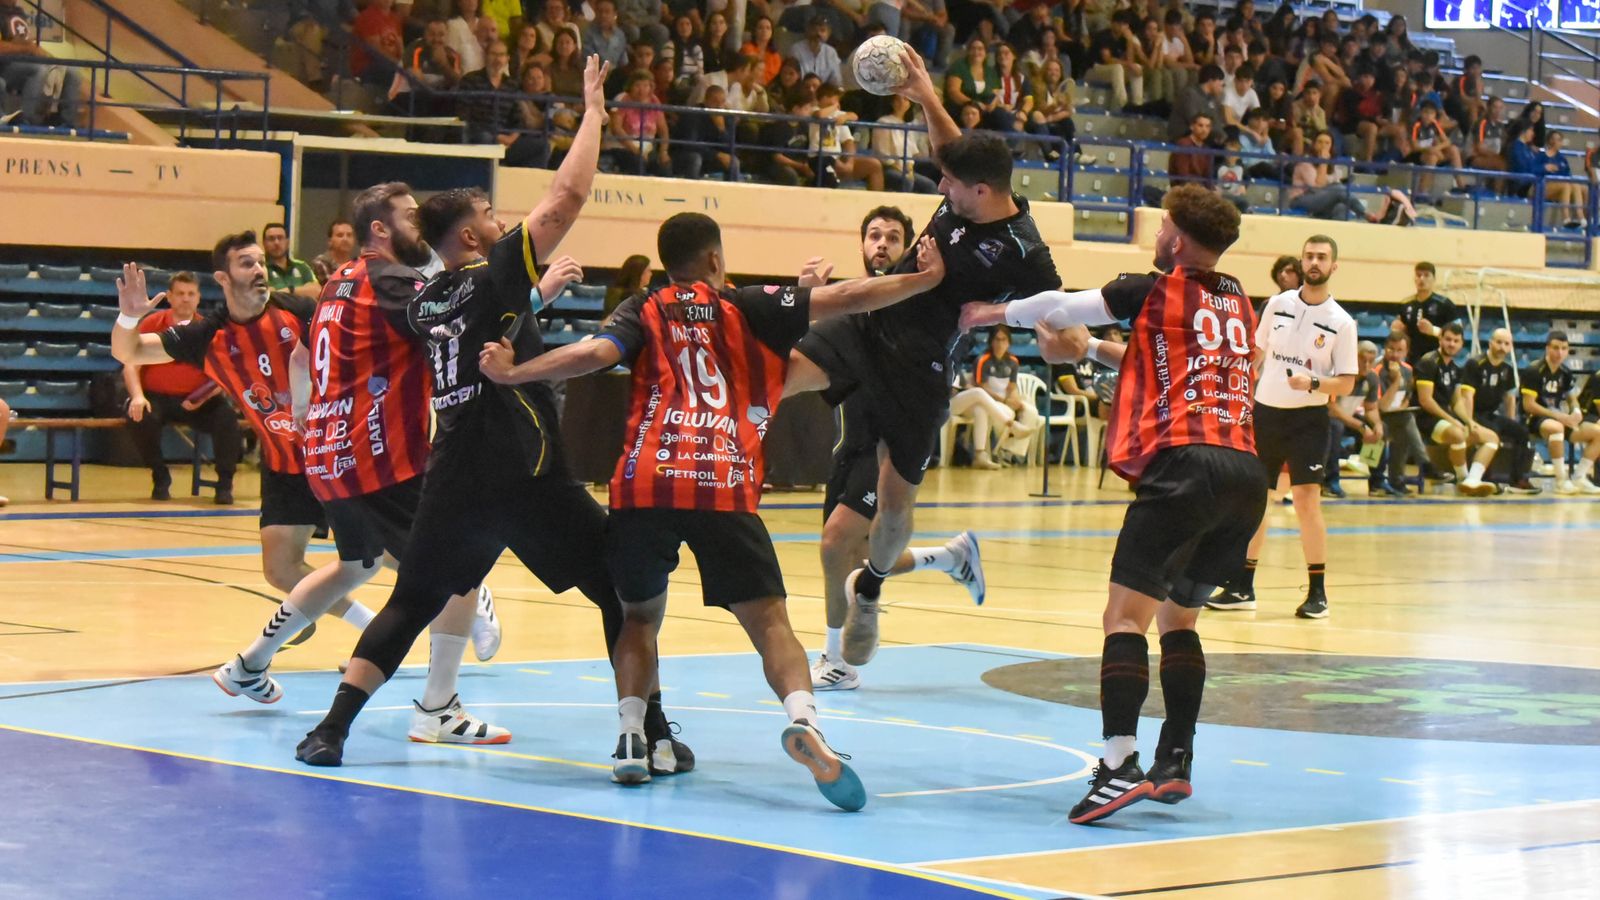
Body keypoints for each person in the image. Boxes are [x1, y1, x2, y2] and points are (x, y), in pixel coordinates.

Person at [477, 211, 949, 809]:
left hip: (645, 484)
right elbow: (850, 297)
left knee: (638, 618)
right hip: (721, 482)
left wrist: (516, 371)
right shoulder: (745, 304)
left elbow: (593, 354)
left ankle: (628, 735)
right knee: (771, 623)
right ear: (715, 260)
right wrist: (921, 282)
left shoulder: (642, 308)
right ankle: (806, 722)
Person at [293, 60, 620, 770]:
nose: (503, 227)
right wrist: (593, 112)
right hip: (524, 475)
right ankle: (644, 726)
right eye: (492, 222)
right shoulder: (491, 272)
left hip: (454, 478)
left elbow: (476, 327)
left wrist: (537, 296)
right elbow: (567, 195)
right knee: (617, 586)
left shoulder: (423, 300)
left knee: (409, 604)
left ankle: (331, 731)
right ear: (473, 240)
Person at [961, 184, 1262, 824]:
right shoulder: (1241, 303)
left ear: (1176, 239)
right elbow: (1170, 360)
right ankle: (1174, 759)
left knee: (1123, 619)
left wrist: (984, 315)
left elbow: (1055, 307)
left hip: (1184, 464)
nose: (1154, 236)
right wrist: (1093, 351)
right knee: (1180, 621)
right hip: (1245, 473)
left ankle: (1118, 764)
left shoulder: (1148, 288)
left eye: (1160, 227)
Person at [784, 47, 1060, 669]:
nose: (939, 188)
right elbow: (952, 153)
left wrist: (996, 315)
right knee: (783, 376)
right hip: (870, 329)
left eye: (950, 185)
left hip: (922, 371)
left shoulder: (1024, 251)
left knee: (896, 507)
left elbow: (1057, 311)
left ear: (982, 192)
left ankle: (873, 592)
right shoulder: (962, 189)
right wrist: (927, 94)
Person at [110, 238, 392, 698]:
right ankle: (373, 627)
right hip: (284, 461)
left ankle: (465, 599)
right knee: (282, 568)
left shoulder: (300, 310)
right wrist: (129, 316)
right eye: (247, 264)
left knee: (393, 550)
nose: (259, 270)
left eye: (261, 262)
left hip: (336, 450)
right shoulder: (208, 336)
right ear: (222, 278)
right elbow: (130, 352)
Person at [810, 207, 984, 693]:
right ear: (861, 245)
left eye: (893, 237)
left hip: (890, 440)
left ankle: (836, 660)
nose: (882, 244)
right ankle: (951, 557)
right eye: (873, 235)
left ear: (909, 247)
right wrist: (808, 296)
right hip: (849, 438)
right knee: (856, 553)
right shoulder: (852, 299)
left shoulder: (925, 303)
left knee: (834, 543)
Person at [1209, 234, 1358, 620]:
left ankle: (1318, 593)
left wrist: (1312, 383)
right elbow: (1256, 353)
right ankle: (1242, 586)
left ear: (1334, 266)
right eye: (1309, 255)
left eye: (1322, 257)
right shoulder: (1277, 305)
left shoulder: (1342, 322)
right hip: (1266, 413)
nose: (1314, 262)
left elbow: (1346, 382)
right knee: (1255, 500)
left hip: (1308, 418)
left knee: (1307, 503)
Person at [118, 271, 244, 504]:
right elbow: (131, 363)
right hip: (157, 398)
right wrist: (137, 396)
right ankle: (160, 477)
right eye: (180, 294)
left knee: (227, 419)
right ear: (170, 297)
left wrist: (202, 398)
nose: (185, 299)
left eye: (191, 294)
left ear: (198, 298)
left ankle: (225, 484)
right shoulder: (152, 323)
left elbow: (225, 375)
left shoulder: (209, 328)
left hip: (198, 400)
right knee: (138, 416)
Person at [1414, 322, 1492, 496]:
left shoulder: (1455, 369)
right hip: (1424, 417)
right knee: (1457, 435)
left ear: (1461, 344)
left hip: (1444, 416)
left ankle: (1473, 479)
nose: (1451, 344)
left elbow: (1457, 402)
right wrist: (1452, 421)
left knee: (1490, 437)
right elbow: (1425, 400)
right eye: (1448, 339)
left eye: (1456, 341)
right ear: (1440, 339)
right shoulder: (1429, 362)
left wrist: (1469, 421)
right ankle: (1463, 480)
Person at [1460, 328, 1540, 494]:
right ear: (1490, 343)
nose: (1502, 347)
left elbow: (1509, 398)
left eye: (1506, 343)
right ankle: (1486, 480)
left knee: (1521, 432)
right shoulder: (1475, 363)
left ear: (1510, 347)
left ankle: (1517, 480)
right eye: (1498, 342)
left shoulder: (1507, 369)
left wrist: (1511, 421)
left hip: (1490, 414)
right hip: (1475, 414)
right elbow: (1467, 396)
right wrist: (1469, 422)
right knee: (1492, 432)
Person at [1521, 331, 1596, 495]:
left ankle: (1579, 478)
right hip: (1534, 419)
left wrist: (1575, 411)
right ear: (1547, 348)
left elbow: (1572, 398)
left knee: (1597, 432)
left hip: (1558, 418)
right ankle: (1561, 480)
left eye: (1564, 348)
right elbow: (1528, 405)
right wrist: (1560, 416)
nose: (1559, 352)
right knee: (1556, 428)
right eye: (1555, 348)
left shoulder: (1565, 372)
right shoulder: (1534, 370)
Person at [967, 324, 1042, 466]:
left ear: (1009, 342)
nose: (1000, 343)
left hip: (1006, 399)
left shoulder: (1013, 361)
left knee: (1031, 412)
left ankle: (1009, 451)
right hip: (990, 400)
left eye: (1004, 340)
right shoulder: (983, 360)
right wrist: (1005, 400)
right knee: (1006, 412)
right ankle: (998, 450)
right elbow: (982, 387)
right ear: (991, 341)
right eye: (997, 339)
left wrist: (1015, 399)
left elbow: (1012, 387)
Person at [0, 1, 84, 127]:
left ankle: (68, 123)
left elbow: (26, 42)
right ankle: (27, 120)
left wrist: (47, 57)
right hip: (7, 66)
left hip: (27, 60)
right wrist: (27, 48)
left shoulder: (19, 12)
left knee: (72, 72)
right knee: (38, 71)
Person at [1322, 339, 1382, 499]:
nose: (1367, 365)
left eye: (1371, 361)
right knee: (1336, 428)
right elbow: (1332, 408)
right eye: (1363, 360)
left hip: (1348, 417)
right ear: (1354, 357)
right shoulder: (1339, 374)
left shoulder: (1372, 378)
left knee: (1380, 430)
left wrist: (1377, 424)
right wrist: (1360, 427)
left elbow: (1371, 408)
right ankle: (1330, 482)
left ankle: (1377, 482)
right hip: (1326, 417)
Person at [1374, 330, 1424, 497]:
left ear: (1406, 352)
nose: (1394, 354)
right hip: (1376, 416)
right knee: (1403, 423)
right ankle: (1425, 462)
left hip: (1398, 415)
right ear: (1384, 349)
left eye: (1399, 350)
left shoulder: (1408, 370)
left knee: (1404, 427)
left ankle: (1397, 481)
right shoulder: (1377, 370)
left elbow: (1407, 398)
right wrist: (1396, 381)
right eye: (1391, 349)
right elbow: (1381, 406)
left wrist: (1401, 408)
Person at [1393, 261, 1460, 366]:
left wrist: (1433, 330)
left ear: (1434, 279)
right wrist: (1397, 331)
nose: (1422, 279)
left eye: (1426, 275)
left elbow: (1458, 335)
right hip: (1411, 360)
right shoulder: (1405, 304)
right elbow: (1400, 333)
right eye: (1418, 275)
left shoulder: (1445, 304)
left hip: (1437, 360)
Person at [262, 223, 322, 301]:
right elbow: (267, 296)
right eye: (271, 239)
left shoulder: (301, 266)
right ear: (264, 243)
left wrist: (290, 290)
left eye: (280, 238)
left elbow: (317, 291)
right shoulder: (261, 268)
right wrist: (302, 291)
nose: (276, 243)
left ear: (287, 242)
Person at [312, 218, 358, 283]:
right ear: (330, 241)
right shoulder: (321, 263)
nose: (345, 239)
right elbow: (331, 290)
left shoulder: (358, 265)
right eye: (340, 235)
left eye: (349, 235)